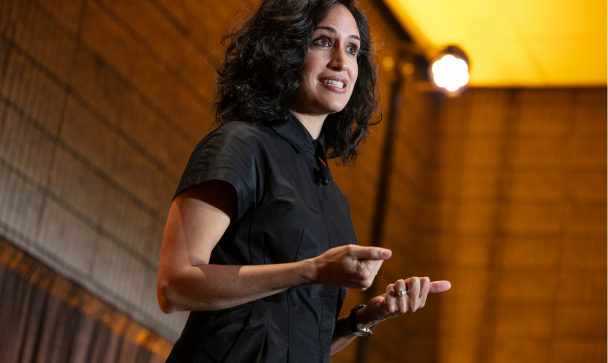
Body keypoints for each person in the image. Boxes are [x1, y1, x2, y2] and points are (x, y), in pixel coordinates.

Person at [157, 0, 451, 362]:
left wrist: (367, 317)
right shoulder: (241, 144)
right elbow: (175, 286)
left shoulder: (332, 196)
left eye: (353, 48)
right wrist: (311, 270)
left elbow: (300, 344)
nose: (342, 63)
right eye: (323, 42)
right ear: (285, 49)